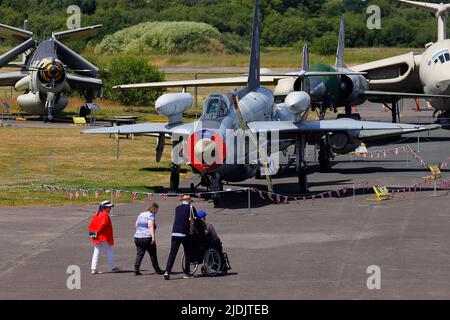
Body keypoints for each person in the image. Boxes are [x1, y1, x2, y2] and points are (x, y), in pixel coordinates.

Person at [163, 195, 199, 280]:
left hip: (175, 232)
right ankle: (186, 273)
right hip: (185, 233)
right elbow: (195, 220)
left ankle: (167, 271)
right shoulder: (191, 208)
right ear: (189, 201)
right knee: (187, 252)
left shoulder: (177, 208)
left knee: (172, 253)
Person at [88, 200, 121, 274]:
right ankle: (113, 267)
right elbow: (103, 225)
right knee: (109, 251)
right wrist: (97, 232)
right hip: (103, 236)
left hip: (96, 236)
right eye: (109, 207)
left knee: (96, 251)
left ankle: (93, 269)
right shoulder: (105, 215)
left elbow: (91, 224)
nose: (110, 208)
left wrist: (93, 232)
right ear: (104, 207)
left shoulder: (97, 213)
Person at [134, 203, 164, 276]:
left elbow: (136, 224)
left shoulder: (141, 214)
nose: (157, 211)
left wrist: (140, 231)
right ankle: (157, 270)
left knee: (140, 253)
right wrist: (153, 237)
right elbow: (150, 226)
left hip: (137, 237)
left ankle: (136, 269)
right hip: (147, 237)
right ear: (154, 209)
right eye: (157, 210)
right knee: (153, 254)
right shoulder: (151, 215)